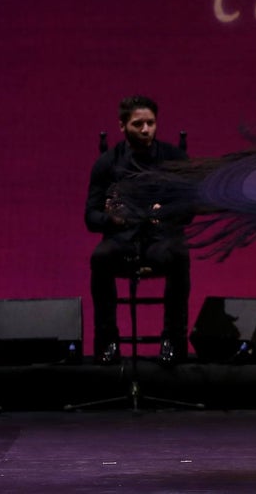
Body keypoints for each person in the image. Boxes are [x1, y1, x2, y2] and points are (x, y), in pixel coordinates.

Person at [86, 95, 191, 366]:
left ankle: (173, 340)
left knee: (179, 255)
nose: (146, 130)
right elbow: (90, 216)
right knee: (100, 257)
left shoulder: (174, 158)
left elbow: (190, 209)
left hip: (161, 240)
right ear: (122, 126)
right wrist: (113, 220)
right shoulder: (107, 163)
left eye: (151, 123)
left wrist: (166, 211)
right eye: (138, 124)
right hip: (122, 240)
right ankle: (107, 340)